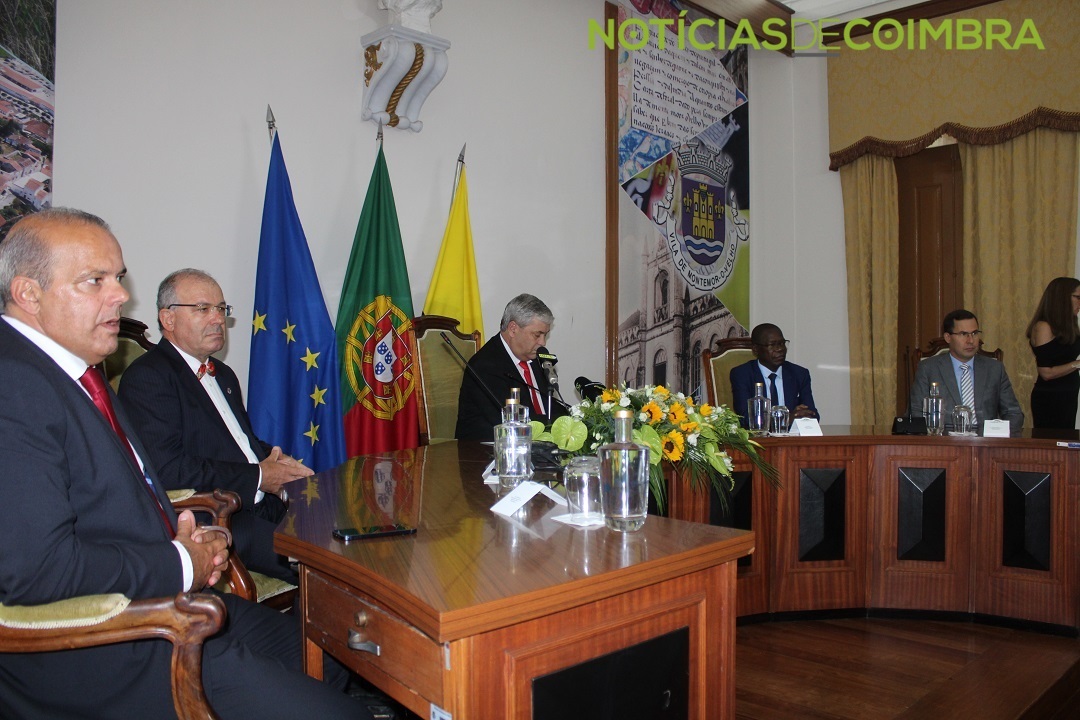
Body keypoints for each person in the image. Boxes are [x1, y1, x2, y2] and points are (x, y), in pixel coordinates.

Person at [0, 208, 369, 719]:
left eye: (118, 277)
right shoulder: (15, 384)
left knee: (329, 655)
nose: (121, 295)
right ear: (28, 293)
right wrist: (179, 561)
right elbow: (34, 570)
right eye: (95, 280)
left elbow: (116, 498)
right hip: (114, 641)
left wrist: (184, 539)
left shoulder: (77, 373)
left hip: (164, 592)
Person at [118, 268, 308, 583]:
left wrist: (279, 463)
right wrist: (261, 476)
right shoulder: (148, 377)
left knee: (340, 540)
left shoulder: (223, 374)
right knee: (321, 565)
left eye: (221, 308)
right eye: (203, 309)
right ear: (168, 319)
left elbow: (239, 444)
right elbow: (167, 468)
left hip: (263, 504)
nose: (218, 319)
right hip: (218, 518)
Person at [455, 293, 569, 441]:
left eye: (545, 335)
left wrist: (578, 418)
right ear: (513, 329)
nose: (543, 342)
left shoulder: (536, 360)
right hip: (488, 451)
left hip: (535, 447)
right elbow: (511, 422)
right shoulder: (485, 366)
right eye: (537, 335)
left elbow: (550, 408)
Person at [908, 309, 1024, 434]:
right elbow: (915, 412)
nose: (971, 340)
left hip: (986, 441)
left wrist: (998, 435)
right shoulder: (929, 368)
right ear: (948, 337)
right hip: (944, 441)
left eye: (974, 333)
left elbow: (1014, 413)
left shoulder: (994, 369)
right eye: (963, 334)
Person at [729, 323, 818, 428]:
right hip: (759, 438)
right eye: (772, 345)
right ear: (756, 349)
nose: (780, 349)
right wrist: (787, 419)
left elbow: (812, 414)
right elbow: (746, 419)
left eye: (782, 343)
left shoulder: (799, 374)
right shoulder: (742, 374)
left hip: (791, 437)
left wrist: (803, 415)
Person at [1025, 277, 1080, 429]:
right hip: (1050, 398)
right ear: (1062, 298)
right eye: (1078, 297)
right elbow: (1046, 373)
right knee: (1050, 442)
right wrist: (1077, 364)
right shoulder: (1044, 327)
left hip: (1068, 395)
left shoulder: (1069, 326)